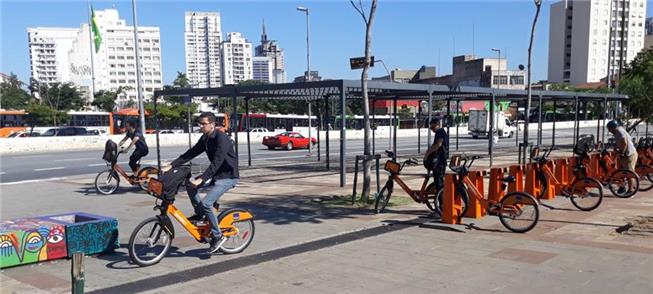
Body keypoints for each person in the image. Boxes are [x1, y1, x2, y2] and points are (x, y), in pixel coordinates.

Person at [162, 112, 239, 253]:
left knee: (207, 203)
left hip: (228, 176)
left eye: (203, 124)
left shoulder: (222, 139)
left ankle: (217, 236)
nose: (201, 126)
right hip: (216, 175)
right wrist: (172, 165)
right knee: (190, 187)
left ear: (212, 124)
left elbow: (217, 162)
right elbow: (191, 153)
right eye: (199, 123)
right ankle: (201, 214)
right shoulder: (205, 138)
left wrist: (202, 178)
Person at [607, 120, 638, 194]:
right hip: (628, 154)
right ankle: (623, 187)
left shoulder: (619, 132)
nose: (609, 131)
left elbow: (624, 142)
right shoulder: (620, 130)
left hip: (629, 154)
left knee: (629, 173)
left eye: (610, 129)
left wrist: (622, 152)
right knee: (622, 171)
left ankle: (630, 191)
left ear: (613, 128)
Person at [424, 118, 449, 191]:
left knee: (439, 182)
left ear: (438, 125)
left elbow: (438, 144)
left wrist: (428, 154)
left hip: (439, 161)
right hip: (441, 160)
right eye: (430, 128)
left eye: (433, 127)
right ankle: (439, 198)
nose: (432, 130)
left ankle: (440, 200)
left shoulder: (440, 132)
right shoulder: (442, 132)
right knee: (438, 180)